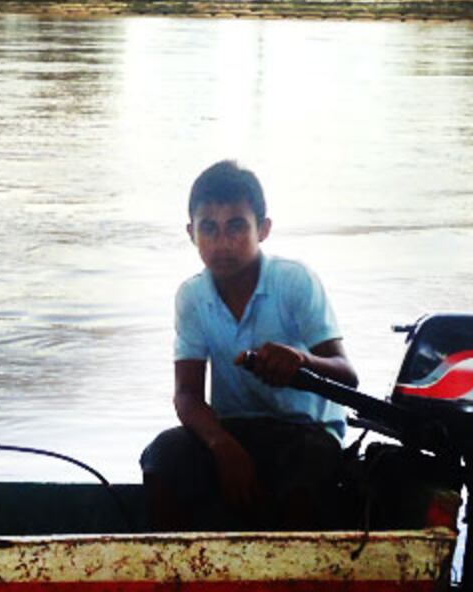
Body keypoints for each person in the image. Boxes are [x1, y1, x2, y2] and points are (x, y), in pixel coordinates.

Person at [139, 160, 358, 532]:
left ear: (264, 229)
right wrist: (221, 446)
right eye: (209, 228)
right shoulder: (192, 297)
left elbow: (347, 376)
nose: (222, 242)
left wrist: (300, 361)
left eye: (237, 226)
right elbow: (187, 396)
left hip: (306, 433)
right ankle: (175, 572)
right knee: (163, 455)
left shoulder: (295, 282)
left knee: (311, 462)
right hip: (235, 431)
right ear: (192, 232)